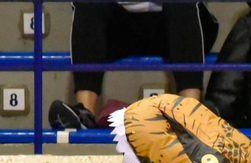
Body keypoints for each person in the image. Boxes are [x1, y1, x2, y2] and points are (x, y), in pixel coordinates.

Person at [50, 1, 220, 129]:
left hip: (176, 22)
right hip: (123, 24)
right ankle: (85, 114)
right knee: (89, 4)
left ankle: (190, 114)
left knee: (181, 3)